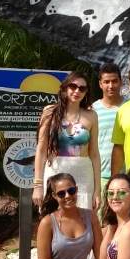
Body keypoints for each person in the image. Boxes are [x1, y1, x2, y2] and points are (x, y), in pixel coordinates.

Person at [32, 72, 101, 211]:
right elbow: (41, 150)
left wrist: (97, 191)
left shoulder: (91, 115)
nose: (77, 91)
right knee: (54, 217)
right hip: (55, 170)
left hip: (83, 172)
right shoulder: (49, 112)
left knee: (82, 219)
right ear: (65, 88)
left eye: (82, 88)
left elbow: (94, 153)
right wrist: (38, 185)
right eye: (73, 86)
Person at [92, 63, 124, 193]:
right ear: (100, 84)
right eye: (106, 82)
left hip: (125, 176)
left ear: (121, 82)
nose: (111, 86)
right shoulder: (92, 110)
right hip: (99, 176)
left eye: (114, 81)